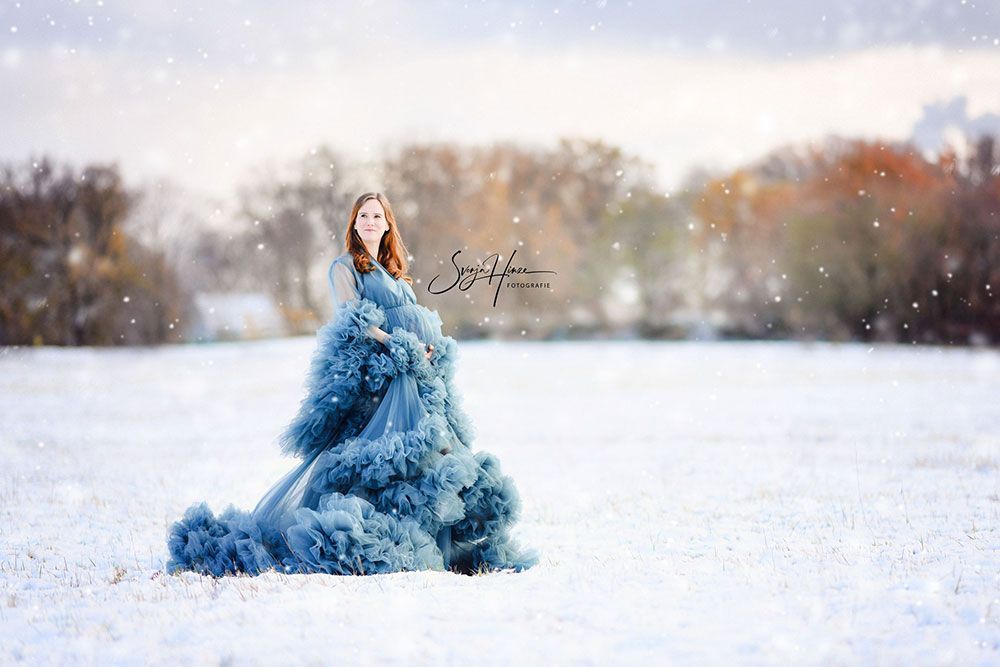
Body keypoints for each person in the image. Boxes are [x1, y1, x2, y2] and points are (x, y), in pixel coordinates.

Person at [165, 192, 539, 576]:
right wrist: (396, 343)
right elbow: (353, 319)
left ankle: (437, 544)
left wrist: (424, 348)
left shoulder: (394, 271)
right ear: (354, 223)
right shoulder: (344, 267)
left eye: (378, 215)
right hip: (383, 375)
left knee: (432, 455)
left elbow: (407, 317)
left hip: (415, 374)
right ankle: (365, 531)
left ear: (388, 223)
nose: (371, 222)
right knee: (388, 456)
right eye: (364, 216)